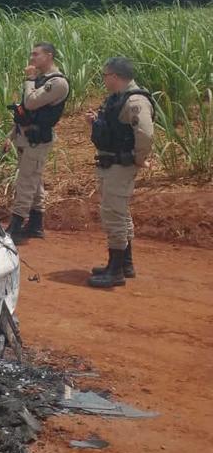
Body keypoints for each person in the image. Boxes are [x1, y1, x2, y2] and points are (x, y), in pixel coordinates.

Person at [86, 57, 154, 288]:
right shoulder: (119, 99)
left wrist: (138, 158)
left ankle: (116, 271)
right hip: (112, 163)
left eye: (105, 76)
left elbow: (145, 133)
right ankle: (124, 263)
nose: (104, 80)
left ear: (114, 76)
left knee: (113, 214)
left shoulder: (134, 100)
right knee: (120, 213)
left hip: (120, 165)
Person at [2, 42, 69, 244]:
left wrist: (30, 80)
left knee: (26, 181)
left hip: (37, 139)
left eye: (36, 54)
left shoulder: (56, 83)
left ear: (49, 56)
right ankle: (36, 223)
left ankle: (16, 225)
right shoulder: (41, 80)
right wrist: (10, 135)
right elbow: (25, 110)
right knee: (34, 180)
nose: (32, 58)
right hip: (26, 136)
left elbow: (31, 102)